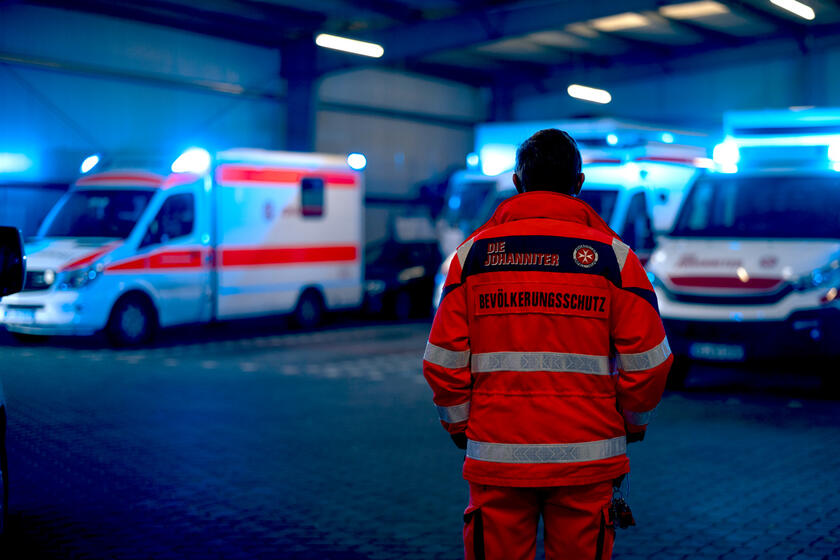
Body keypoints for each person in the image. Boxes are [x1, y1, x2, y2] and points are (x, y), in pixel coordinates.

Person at [423, 129, 672, 560]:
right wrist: (630, 424)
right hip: (588, 459)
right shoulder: (615, 258)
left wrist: (462, 427)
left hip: (497, 459)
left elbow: (443, 362)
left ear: (517, 183)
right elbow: (650, 363)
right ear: (579, 184)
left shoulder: (472, 257)